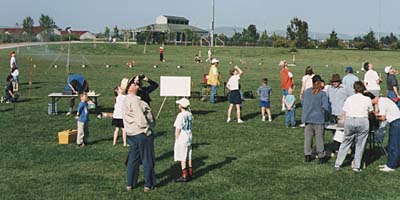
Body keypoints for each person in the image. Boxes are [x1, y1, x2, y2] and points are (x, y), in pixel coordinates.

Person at [123, 75, 156, 193]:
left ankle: (130, 184)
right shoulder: (135, 101)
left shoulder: (125, 99)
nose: (137, 84)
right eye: (134, 82)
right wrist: (148, 130)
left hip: (131, 134)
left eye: (137, 83)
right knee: (148, 160)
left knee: (133, 160)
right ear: (128, 87)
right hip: (142, 133)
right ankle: (149, 184)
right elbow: (141, 119)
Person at [334, 81, 373, 172]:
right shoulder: (367, 99)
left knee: (345, 142)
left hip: (350, 120)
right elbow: (370, 111)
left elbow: (344, 111)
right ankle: (356, 166)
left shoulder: (349, 99)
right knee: (360, 144)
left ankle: (338, 164)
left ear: (354, 89)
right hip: (363, 120)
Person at [363, 92, 400, 172]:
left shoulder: (382, 103)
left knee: (394, 145)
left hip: (396, 123)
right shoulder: (382, 100)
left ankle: (392, 166)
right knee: (391, 144)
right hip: (395, 122)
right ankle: (390, 163)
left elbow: (382, 118)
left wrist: (373, 116)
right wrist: (375, 108)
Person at [301, 75, 330, 163]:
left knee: (308, 139)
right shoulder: (323, 93)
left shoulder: (306, 92)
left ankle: (307, 155)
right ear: (320, 82)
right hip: (319, 119)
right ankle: (321, 156)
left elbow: (303, 102)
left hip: (308, 118)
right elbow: (326, 106)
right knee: (319, 139)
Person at [326, 74, 352, 152]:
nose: (334, 83)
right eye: (333, 82)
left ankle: (340, 147)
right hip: (332, 112)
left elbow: (352, 96)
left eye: (336, 82)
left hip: (341, 113)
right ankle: (337, 146)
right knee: (333, 130)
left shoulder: (345, 88)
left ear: (339, 81)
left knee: (341, 131)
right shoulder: (329, 88)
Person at [173, 98, 193, 182]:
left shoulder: (180, 115)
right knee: (189, 154)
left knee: (182, 156)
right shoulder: (190, 114)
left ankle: (184, 175)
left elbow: (178, 128)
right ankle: (190, 172)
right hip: (189, 135)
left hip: (183, 136)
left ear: (181, 106)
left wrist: (176, 138)